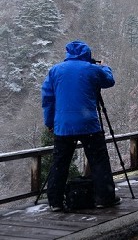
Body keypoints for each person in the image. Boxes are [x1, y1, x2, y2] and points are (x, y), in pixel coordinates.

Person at [41, 40, 121, 212]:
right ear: (88, 54)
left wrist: (49, 122)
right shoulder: (92, 70)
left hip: (63, 126)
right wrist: (104, 67)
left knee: (60, 163)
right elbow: (109, 81)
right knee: (99, 161)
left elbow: (47, 99)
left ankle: (55, 202)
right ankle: (104, 198)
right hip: (88, 125)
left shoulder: (55, 71)